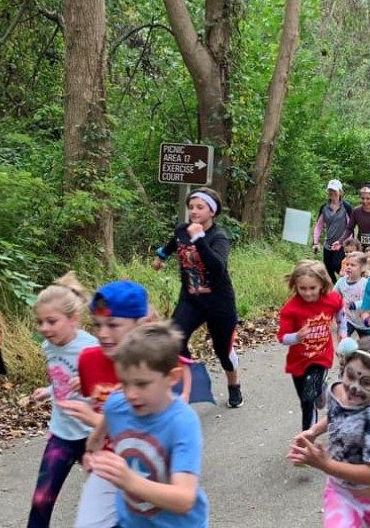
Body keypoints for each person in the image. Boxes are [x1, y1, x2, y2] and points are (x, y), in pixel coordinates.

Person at [66, 280, 192, 528]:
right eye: (97, 325)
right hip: (113, 463)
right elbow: (107, 416)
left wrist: (184, 396)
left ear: (141, 324)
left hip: (157, 466)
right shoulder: (88, 360)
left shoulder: (158, 365)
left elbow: (181, 371)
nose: (102, 334)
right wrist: (92, 454)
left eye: (113, 325)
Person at [84, 322, 209, 527]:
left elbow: (185, 499)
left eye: (142, 384)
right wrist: (93, 457)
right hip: (131, 521)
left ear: (172, 377)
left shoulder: (182, 422)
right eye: (124, 383)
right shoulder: (116, 404)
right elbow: (96, 440)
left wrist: (129, 481)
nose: (130, 394)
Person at [287, 339, 370, 528]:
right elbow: (335, 414)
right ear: (344, 367)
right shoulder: (338, 390)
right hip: (341, 491)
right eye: (350, 376)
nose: (354, 387)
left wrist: (325, 464)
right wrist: (314, 431)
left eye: (366, 382)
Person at [154, 186, 244, 408]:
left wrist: (200, 239)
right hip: (191, 298)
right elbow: (172, 245)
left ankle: (234, 385)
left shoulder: (219, 237)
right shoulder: (182, 230)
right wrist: (161, 257)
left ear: (212, 211)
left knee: (222, 351)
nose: (194, 211)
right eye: (191, 207)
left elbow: (218, 267)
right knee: (174, 339)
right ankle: (189, 379)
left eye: (200, 207)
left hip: (218, 302)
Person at [27, 273, 99, 527]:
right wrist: (48, 390)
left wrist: (91, 380)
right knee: (41, 499)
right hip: (61, 434)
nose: (44, 328)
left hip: (95, 435)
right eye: (40, 322)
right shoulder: (49, 346)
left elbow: (114, 384)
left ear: (74, 319)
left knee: (111, 498)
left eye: (51, 321)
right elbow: (61, 377)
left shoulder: (91, 348)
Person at [277, 260, 348, 431]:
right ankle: (321, 390)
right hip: (298, 360)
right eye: (303, 289)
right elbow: (282, 337)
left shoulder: (331, 298)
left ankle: (307, 437)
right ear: (296, 285)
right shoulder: (291, 308)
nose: (308, 293)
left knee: (309, 398)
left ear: (322, 284)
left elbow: (340, 310)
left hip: (321, 356)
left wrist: (342, 331)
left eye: (312, 288)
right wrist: (297, 336)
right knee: (305, 400)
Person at [312, 179, 353, 280]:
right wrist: (316, 243)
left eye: (334, 190)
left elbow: (350, 226)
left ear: (340, 192)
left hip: (342, 244)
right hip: (328, 244)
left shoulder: (346, 207)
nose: (332, 193)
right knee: (327, 269)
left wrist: (347, 244)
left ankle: (347, 283)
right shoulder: (324, 208)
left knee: (337, 265)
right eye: (330, 190)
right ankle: (335, 288)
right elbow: (318, 226)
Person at [334, 252, 370, 338]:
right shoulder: (341, 281)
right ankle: (343, 350)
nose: (349, 267)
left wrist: (354, 305)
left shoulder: (365, 283)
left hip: (363, 321)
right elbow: (333, 295)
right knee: (343, 338)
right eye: (347, 264)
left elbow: (367, 301)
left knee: (367, 346)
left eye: (353, 265)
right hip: (348, 318)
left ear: (362, 268)